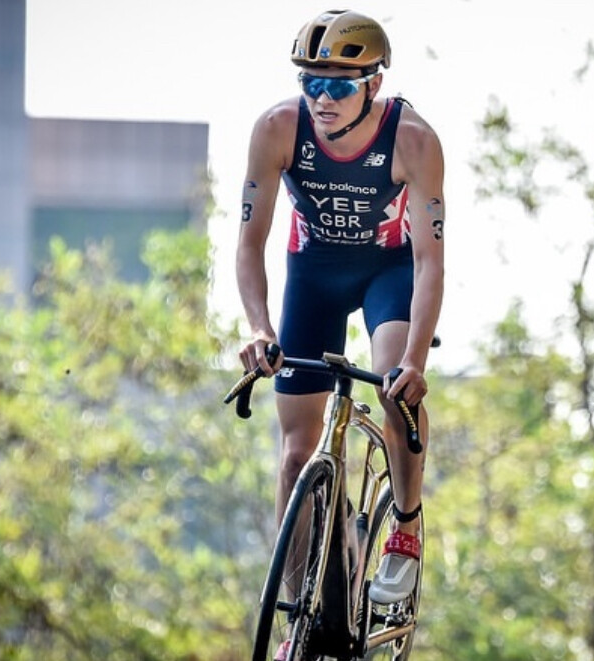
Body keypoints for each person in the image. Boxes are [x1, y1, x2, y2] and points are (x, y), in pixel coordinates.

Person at [234, 8, 445, 632]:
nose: (322, 99)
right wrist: (259, 328)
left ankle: (404, 527)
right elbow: (249, 243)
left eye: (338, 86)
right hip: (314, 273)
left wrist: (415, 363)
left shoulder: (413, 140)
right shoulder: (277, 128)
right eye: (310, 83)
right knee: (296, 453)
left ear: (374, 84)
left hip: (389, 271)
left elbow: (430, 261)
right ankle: (295, 621)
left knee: (394, 386)